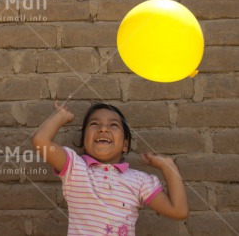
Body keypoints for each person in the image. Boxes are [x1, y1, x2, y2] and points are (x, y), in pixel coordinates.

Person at [31, 101, 188, 236]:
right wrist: (60, 116)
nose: (103, 129)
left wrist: (167, 166)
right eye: (94, 124)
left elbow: (179, 211)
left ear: (125, 145)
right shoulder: (75, 168)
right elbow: (40, 141)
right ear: (84, 140)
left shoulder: (139, 180)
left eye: (113, 125)